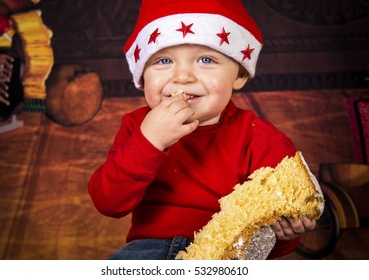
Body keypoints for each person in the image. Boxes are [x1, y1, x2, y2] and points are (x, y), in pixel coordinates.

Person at [88, 0, 316, 260]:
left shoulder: (263, 141)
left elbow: (268, 247)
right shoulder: (138, 127)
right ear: (142, 77)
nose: (183, 77)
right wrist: (149, 141)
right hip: (150, 251)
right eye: (163, 60)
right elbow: (108, 203)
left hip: (229, 258)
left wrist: (288, 232)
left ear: (239, 75)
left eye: (206, 59)